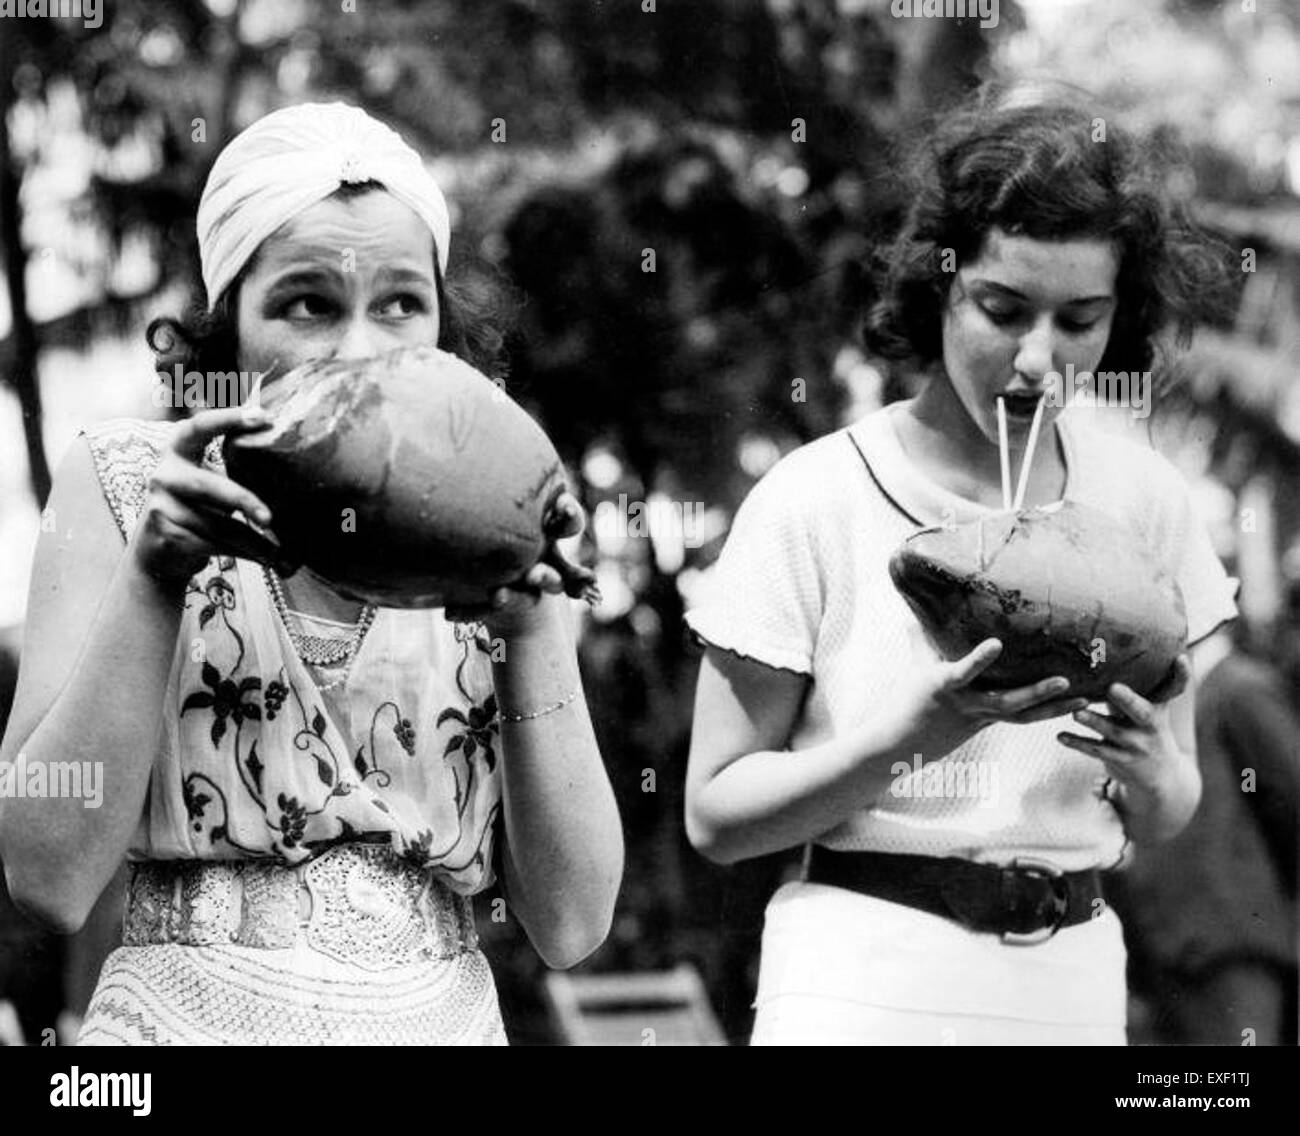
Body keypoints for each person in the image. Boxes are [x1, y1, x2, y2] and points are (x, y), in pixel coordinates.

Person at [0, 102, 623, 1045]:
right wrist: (154, 575)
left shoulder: (494, 524)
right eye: (308, 305)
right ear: (231, 330)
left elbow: (573, 925)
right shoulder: (127, 485)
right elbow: (46, 878)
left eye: (402, 304)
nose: (361, 349)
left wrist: (529, 628)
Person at [683, 84, 1238, 1045]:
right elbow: (716, 814)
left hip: (1066, 981)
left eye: (1079, 321)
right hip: (860, 976)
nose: (1037, 359)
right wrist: (913, 737)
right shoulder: (818, 498)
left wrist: (1149, 771)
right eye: (1002, 308)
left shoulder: (1146, 504)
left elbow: (1172, 806)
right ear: (939, 286)